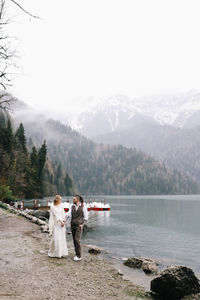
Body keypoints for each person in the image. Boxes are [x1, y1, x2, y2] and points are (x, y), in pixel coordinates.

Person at [67, 195, 88, 261]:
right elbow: (68, 214)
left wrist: (82, 225)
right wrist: (64, 221)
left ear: (78, 200)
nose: (73, 200)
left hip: (79, 225)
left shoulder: (83, 206)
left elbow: (86, 218)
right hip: (72, 225)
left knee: (77, 240)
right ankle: (76, 254)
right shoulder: (72, 206)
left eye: (74, 199)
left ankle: (79, 256)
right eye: (73, 199)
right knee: (74, 240)